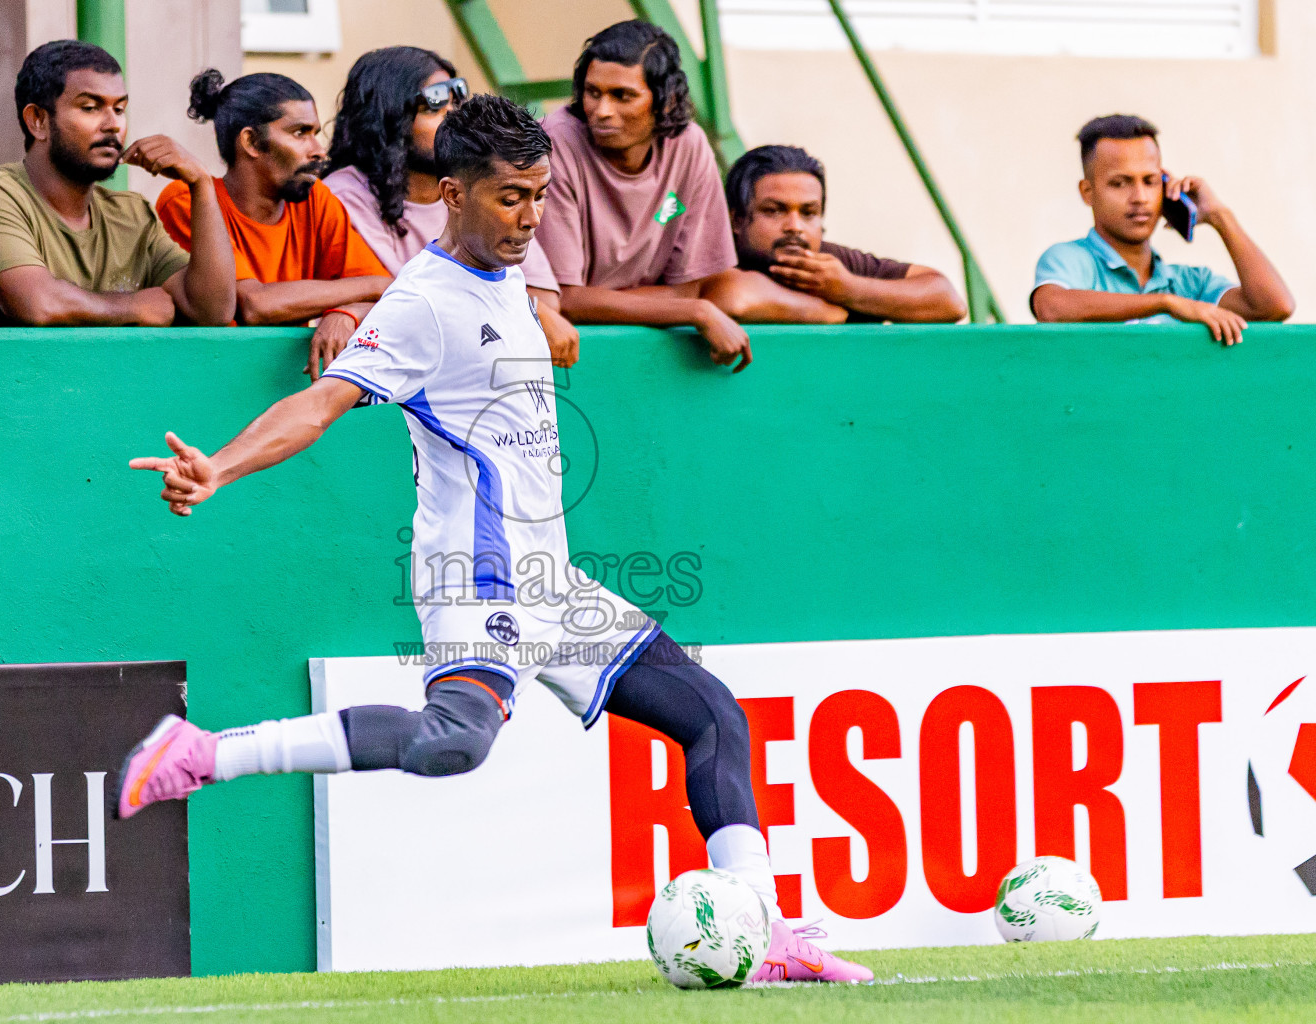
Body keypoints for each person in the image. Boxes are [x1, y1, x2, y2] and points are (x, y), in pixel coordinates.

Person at [120, 95, 872, 985]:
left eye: (540, 195)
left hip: (550, 580)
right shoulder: (422, 303)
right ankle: (203, 754)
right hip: (478, 581)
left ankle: (767, 931)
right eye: (511, 197)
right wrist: (219, 467)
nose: (530, 217)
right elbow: (321, 404)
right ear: (452, 193)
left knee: (713, 715)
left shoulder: (508, 270)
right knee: (453, 743)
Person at [0, 40, 235, 326]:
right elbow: (38, 303)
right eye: (90, 107)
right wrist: (134, 307)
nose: (113, 125)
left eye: (119, 109)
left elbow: (212, 312)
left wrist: (201, 185)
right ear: (38, 121)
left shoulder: (132, 215)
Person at [323, 46, 580, 368]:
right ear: (387, 120)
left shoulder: (478, 186)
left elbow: (546, 300)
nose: (452, 118)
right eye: (433, 107)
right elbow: (407, 301)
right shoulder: (343, 196)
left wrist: (536, 307)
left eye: (455, 102)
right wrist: (529, 308)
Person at [536, 20, 752, 372]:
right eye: (593, 92)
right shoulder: (553, 143)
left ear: (666, 101)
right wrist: (696, 312)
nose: (602, 111)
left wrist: (683, 303)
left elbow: (684, 289)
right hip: (563, 355)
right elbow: (566, 300)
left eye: (623, 95)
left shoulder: (690, 145)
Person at [157, 70, 391, 379]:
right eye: (300, 133)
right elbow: (254, 306)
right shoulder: (188, 199)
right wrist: (373, 286)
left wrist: (348, 311)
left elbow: (390, 296)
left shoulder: (315, 199)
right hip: (208, 379)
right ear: (251, 142)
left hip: (287, 383)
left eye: (315, 132)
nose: (318, 150)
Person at [1031, 114, 1293, 343]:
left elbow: (1274, 307)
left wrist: (1220, 216)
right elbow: (1052, 308)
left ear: (1166, 187)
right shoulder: (1071, 260)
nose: (1140, 197)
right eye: (1120, 183)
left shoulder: (1189, 284)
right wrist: (1166, 304)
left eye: (1150, 181)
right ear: (1087, 192)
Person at [720, 145, 965, 324]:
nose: (795, 226)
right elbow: (735, 297)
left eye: (808, 212)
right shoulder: (717, 250)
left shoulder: (830, 266)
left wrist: (849, 289)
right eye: (774, 211)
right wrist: (825, 312)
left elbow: (948, 301)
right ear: (736, 220)